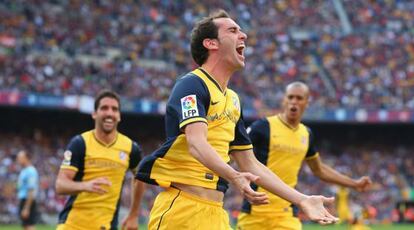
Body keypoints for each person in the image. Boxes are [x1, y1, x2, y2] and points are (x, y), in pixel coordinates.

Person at [135, 10, 338, 230]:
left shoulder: (232, 100)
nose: (243, 36)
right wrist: (235, 176)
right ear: (211, 43)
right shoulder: (191, 84)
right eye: (233, 30)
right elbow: (196, 143)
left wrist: (301, 199)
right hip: (182, 210)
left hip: (217, 215)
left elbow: (249, 163)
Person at [237, 82, 372, 230]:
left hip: (287, 214)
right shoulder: (262, 126)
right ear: (284, 100)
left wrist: (354, 184)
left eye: (299, 98)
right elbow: (237, 151)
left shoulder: (306, 134)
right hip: (255, 212)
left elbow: (319, 170)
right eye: (291, 97)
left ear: (307, 102)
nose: (294, 101)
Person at [55, 90, 145, 230]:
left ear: (119, 116)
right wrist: (85, 186)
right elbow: (60, 185)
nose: (109, 113)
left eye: (114, 109)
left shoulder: (131, 148)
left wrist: (133, 214)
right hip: (72, 225)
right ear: (94, 114)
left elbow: (140, 178)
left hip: (105, 226)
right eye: (104, 108)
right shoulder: (80, 143)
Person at [16, 150, 39, 230]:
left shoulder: (31, 171)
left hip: (28, 201)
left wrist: (27, 208)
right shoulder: (24, 170)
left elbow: (31, 190)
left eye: (20, 158)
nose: (18, 160)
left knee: (29, 225)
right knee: (25, 225)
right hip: (24, 200)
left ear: (26, 158)